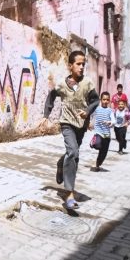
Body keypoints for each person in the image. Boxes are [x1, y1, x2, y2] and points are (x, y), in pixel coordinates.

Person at [44, 50, 99, 212]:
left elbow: (95, 101)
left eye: (84, 64)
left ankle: (61, 164)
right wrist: (46, 115)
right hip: (66, 123)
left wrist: (88, 112)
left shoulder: (88, 83)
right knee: (73, 153)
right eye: (78, 64)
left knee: (72, 154)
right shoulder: (62, 84)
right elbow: (51, 96)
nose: (82, 67)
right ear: (70, 66)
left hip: (81, 125)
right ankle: (69, 194)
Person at [90, 92, 113, 171]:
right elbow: (91, 115)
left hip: (107, 135)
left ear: (109, 101)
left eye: (107, 100)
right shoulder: (97, 109)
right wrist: (89, 123)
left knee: (103, 153)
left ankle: (98, 164)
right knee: (97, 144)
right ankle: (93, 142)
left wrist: (111, 122)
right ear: (101, 100)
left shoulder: (110, 110)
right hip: (98, 132)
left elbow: (113, 120)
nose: (105, 101)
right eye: (104, 99)